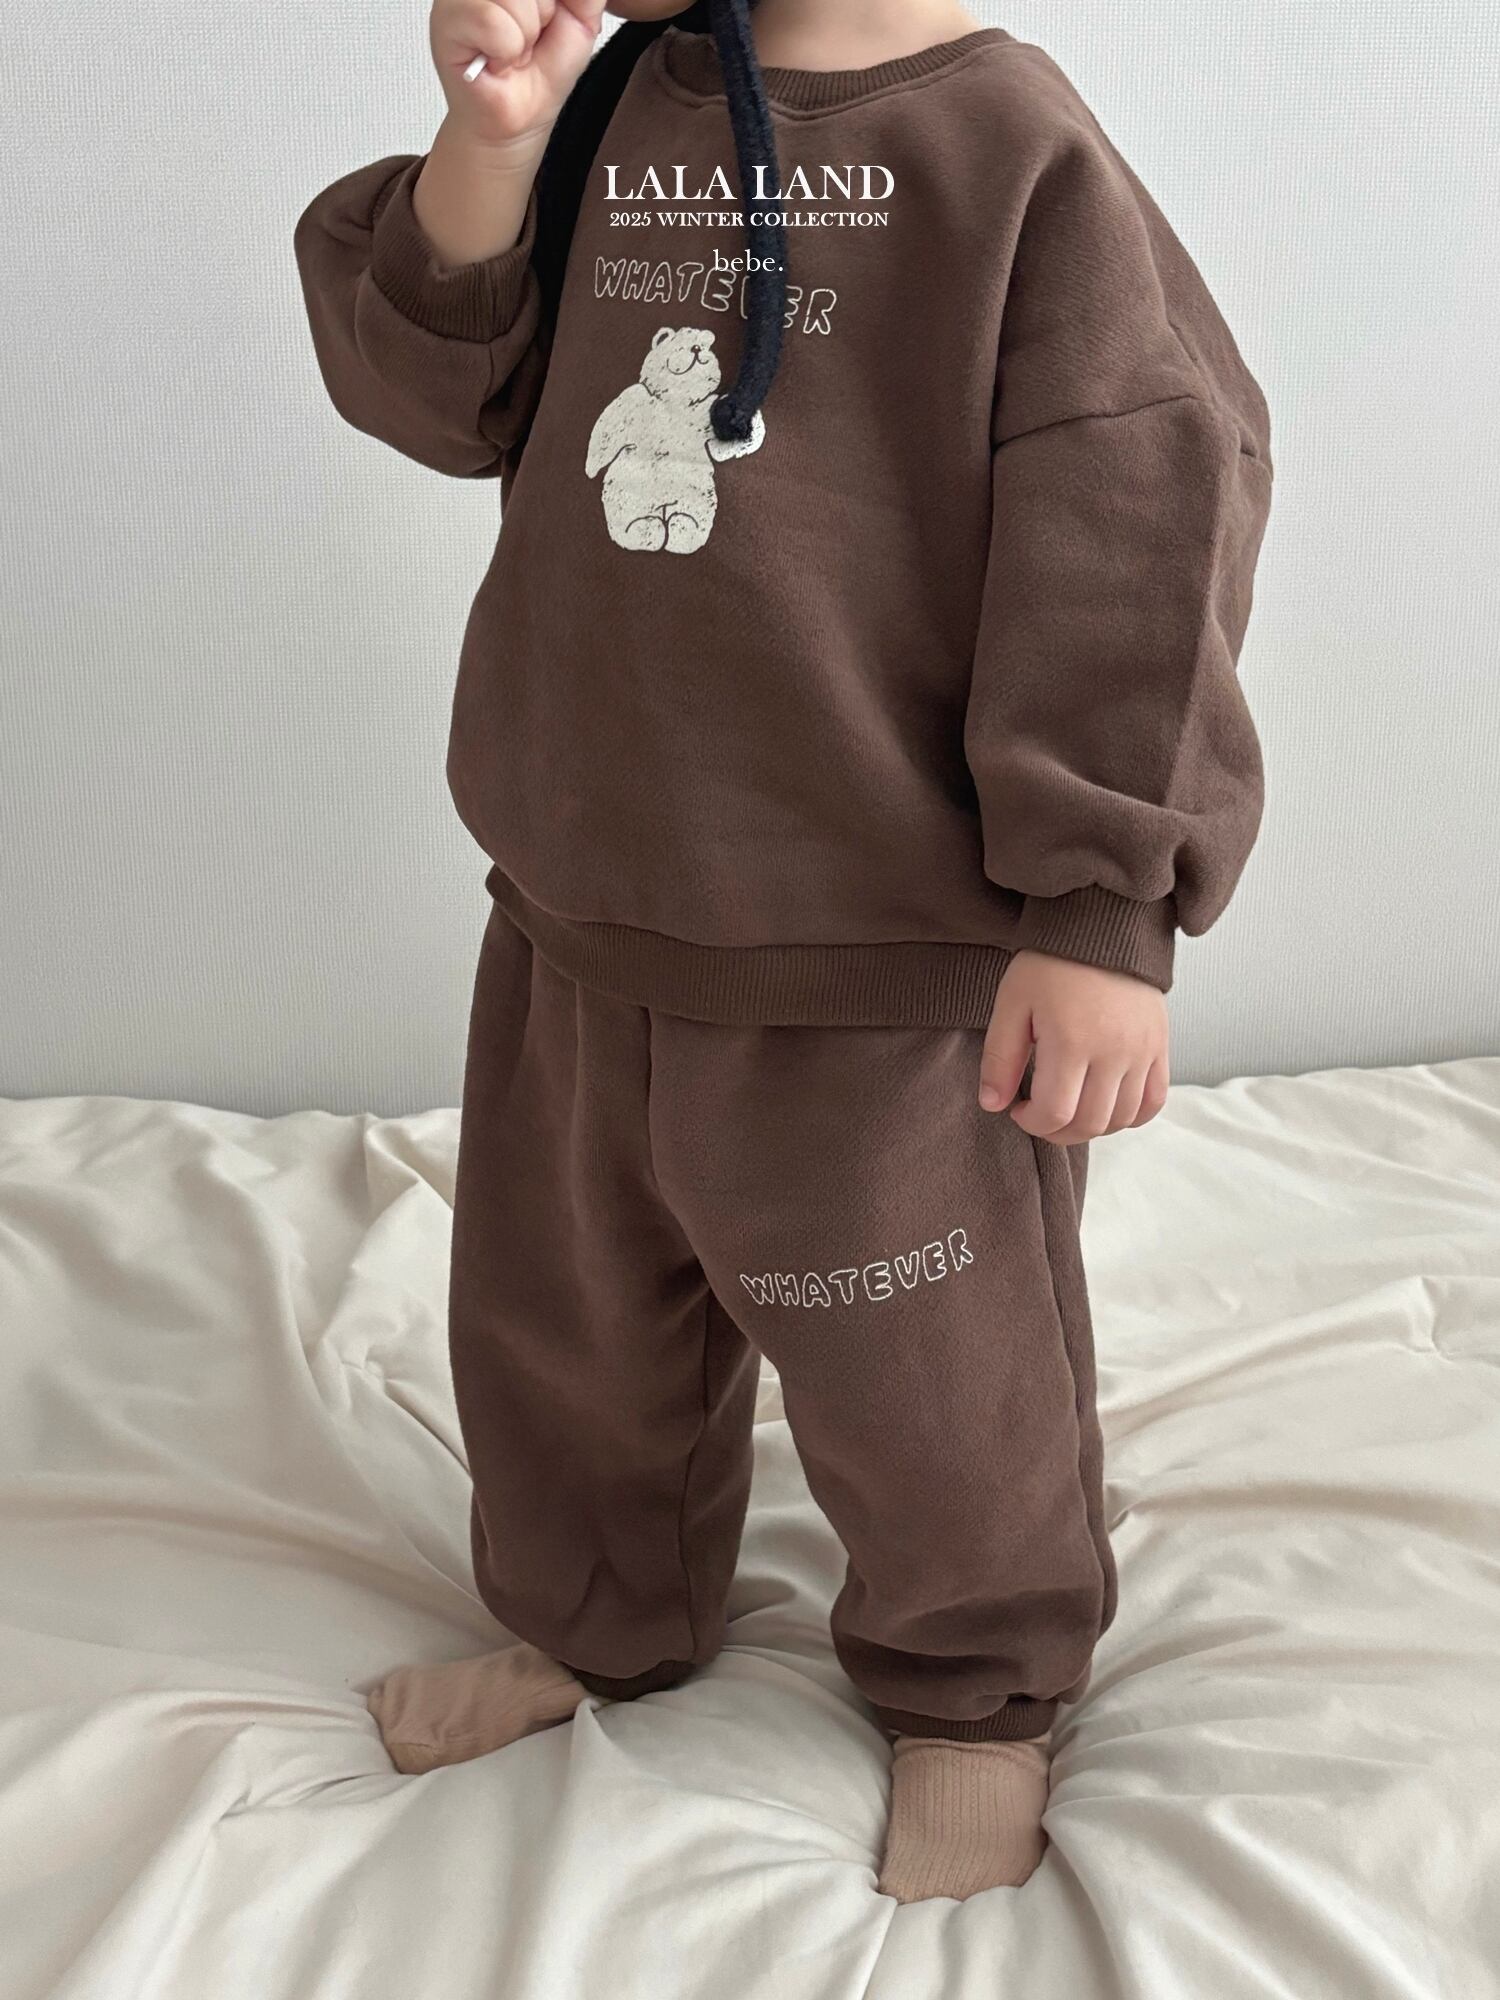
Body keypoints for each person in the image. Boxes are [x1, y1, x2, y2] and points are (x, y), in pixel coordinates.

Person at [292, 0, 1273, 1903]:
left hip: (876, 968)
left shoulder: (1010, 153)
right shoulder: (618, 104)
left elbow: (1145, 505)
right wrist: (493, 139)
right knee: (563, 1339)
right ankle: (598, 1622)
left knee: (932, 1375)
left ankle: (976, 1690)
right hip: (583, 910)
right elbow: (432, 391)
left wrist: (1104, 907)